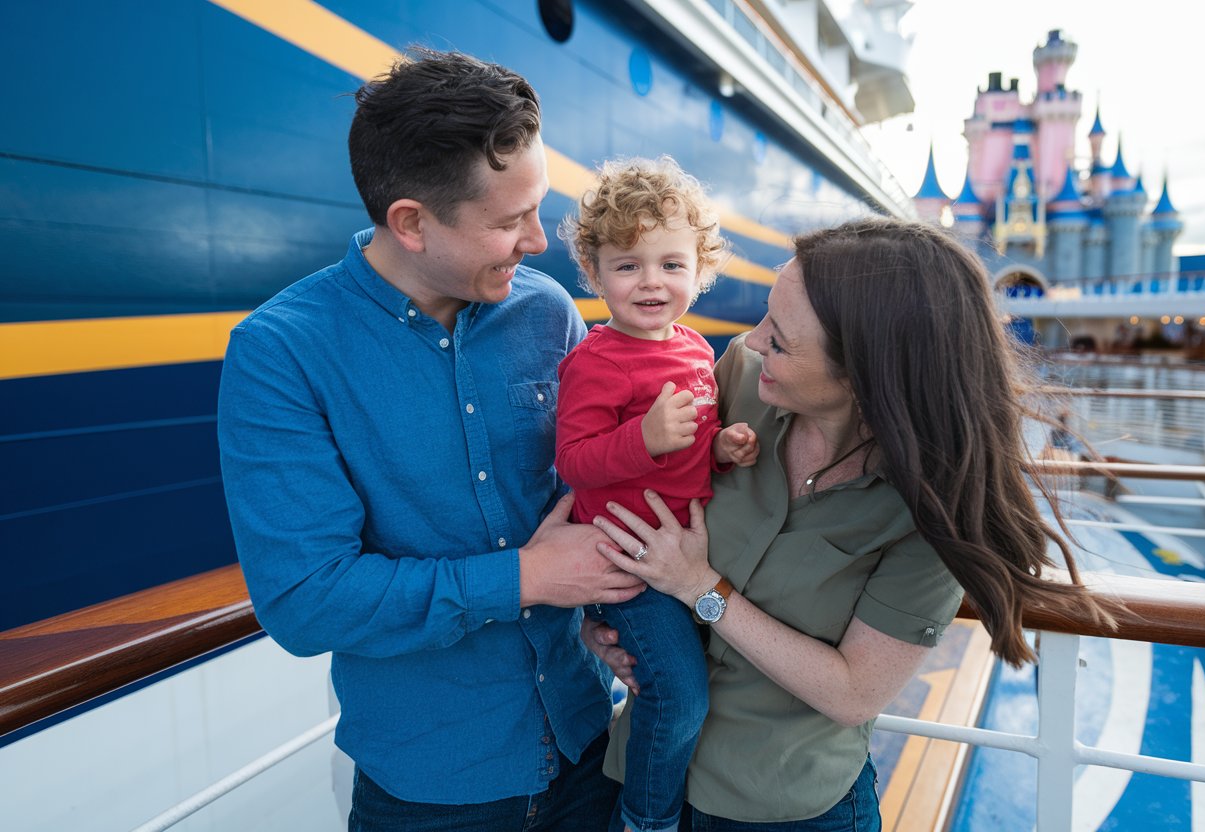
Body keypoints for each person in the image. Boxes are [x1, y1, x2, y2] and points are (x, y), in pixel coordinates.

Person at [217, 48, 645, 831]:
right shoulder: (280, 353)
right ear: (411, 222)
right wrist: (522, 578)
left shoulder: (549, 314)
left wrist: (608, 619)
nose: (539, 243)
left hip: (594, 748)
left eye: (539, 209)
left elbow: (584, 501)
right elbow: (306, 602)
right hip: (433, 793)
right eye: (511, 222)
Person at [585, 218, 1119, 830]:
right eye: (764, 318)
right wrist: (603, 630)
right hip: (646, 775)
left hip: (782, 808)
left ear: (863, 375)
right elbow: (625, 500)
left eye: (780, 341)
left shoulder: (932, 510)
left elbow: (853, 692)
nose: (753, 341)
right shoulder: (735, 380)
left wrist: (699, 588)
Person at [555, 157, 759, 832]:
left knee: (686, 691)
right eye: (628, 264)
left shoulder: (698, 350)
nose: (651, 282)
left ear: (700, 270)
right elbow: (576, 463)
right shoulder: (595, 360)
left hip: (686, 553)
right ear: (595, 273)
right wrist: (642, 437)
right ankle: (647, 820)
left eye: (671, 264)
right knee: (677, 697)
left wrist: (721, 450)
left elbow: (689, 454)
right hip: (631, 561)